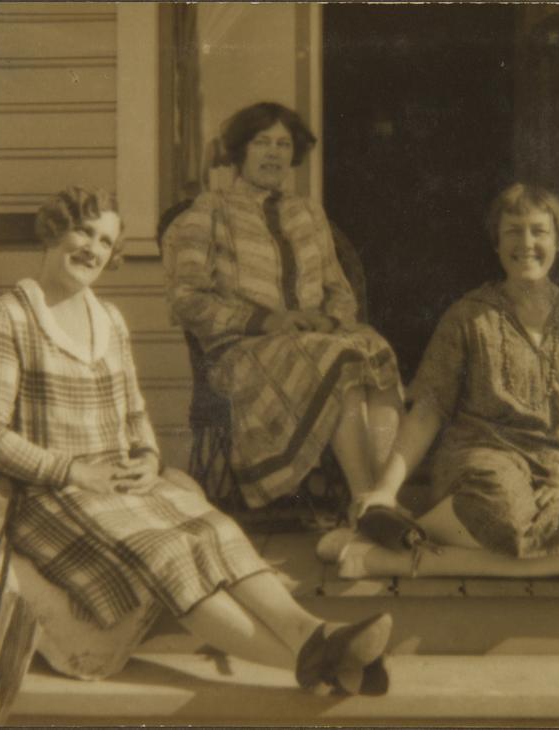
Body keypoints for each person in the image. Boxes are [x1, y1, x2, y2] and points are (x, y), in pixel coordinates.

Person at [0, 186, 392, 695]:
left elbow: (135, 411)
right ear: (55, 231)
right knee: (168, 551)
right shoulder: (8, 317)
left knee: (214, 529)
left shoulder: (109, 321)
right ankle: (316, 659)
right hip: (49, 495)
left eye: (105, 241)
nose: (92, 248)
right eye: (83, 231)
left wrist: (145, 456)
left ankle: (314, 637)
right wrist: (72, 471)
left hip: (118, 484)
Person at [332, 183, 559, 579]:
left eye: (539, 231)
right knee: (508, 515)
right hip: (483, 465)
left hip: (558, 477)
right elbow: (428, 408)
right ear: (496, 243)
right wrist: (386, 490)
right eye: (513, 230)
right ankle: (404, 540)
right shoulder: (468, 315)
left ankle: (386, 555)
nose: (526, 243)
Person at [162, 101, 402, 513]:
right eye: (261, 142)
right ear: (240, 151)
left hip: (317, 342)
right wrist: (266, 320)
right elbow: (186, 300)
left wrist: (325, 319)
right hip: (240, 353)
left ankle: (383, 497)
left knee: (374, 350)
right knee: (341, 357)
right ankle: (365, 502)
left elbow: (339, 291)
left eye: (283, 144)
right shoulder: (209, 210)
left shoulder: (308, 212)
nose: (273, 153)